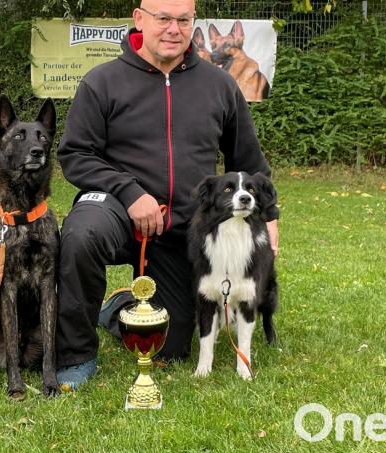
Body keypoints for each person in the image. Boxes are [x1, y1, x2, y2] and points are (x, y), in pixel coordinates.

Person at [54, 0, 279, 390]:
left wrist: (270, 217)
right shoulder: (102, 81)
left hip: (183, 228)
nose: (174, 29)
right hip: (115, 209)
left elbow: (248, 161)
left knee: (169, 346)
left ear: (193, 22)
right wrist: (129, 191)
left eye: (183, 20)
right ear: (139, 19)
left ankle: (120, 308)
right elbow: (75, 154)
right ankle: (76, 355)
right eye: (163, 19)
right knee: (80, 235)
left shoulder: (220, 85)